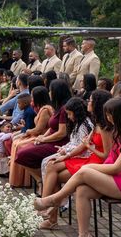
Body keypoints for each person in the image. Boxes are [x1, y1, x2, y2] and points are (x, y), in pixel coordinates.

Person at [33, 97, 121, 237]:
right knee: (82, 189)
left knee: (84, 172)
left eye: (109, 115)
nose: (107, 119)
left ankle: (54, 200)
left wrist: (89, 167)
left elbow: (117, 167)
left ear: (117, 116)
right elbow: (112, 160)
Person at [39, 94, 112, 229]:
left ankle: (48, 212)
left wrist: (90, 147)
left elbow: (106, 155)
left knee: (54, 174)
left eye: (91, 100)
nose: (88, 102)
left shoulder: (104, 127)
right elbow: (82, 145)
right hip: (87, 157)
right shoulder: (96, 123)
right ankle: (46, 208)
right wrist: (65, 156)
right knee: (51, 165)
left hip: (95, 162)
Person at [14, 79, 72, 180]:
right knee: (21, 152)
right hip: (50, 139)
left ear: (57, 92)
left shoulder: (64, 109)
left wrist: (44, 139)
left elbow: (62, 133)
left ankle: (42, 180)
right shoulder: (57, 107)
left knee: (22, 154)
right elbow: (52, 127)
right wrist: (43, 137)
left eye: (51, 90)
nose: (49, 93)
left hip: (59, 143)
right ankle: (41, 180)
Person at [8, 86, 54, 187]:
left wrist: (27, 131)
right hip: (37, 135)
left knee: (19, 146)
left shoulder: (45, 110)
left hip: (40, 136)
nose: (31, 99)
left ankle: (34, 180)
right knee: (16, 142)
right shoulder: (39, 109)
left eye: (33, 97)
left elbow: (38, 129)